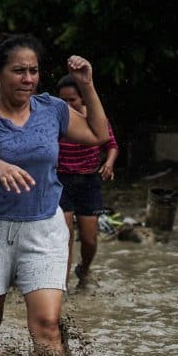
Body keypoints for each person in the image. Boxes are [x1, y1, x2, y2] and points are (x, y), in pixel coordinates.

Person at [0, 35, 110, 356]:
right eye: (18, 71)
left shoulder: (52, 109)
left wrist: (87, 86)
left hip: (43, 228)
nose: (28, 79)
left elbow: (98, 134)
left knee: (47, 325)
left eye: (33, 71)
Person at [56, 74, 118, 287]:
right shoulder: (56, 120)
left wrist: (109, 163)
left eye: (71, 100)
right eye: (62, 100)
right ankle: (61, 286)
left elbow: (111, 145)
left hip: (89, 181)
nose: (67, 105)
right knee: (64, 237)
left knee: (90, 239)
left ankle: (84, 269)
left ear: (82, 97)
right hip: (61, 181)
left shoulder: (95, 118)